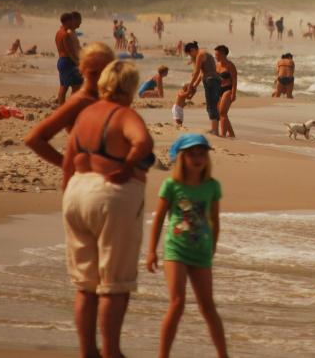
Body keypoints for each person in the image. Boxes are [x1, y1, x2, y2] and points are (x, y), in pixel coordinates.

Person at [61, 60, 154, 358]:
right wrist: (127, 166)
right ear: (129, 87)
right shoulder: (124, 114)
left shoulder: (85, 114)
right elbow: (143, 142)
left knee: (85, 284)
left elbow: (68, 161)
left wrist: (70, 193)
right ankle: (112, 352)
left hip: (77, 193)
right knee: (115, 283)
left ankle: (87, 351)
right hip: (111, 198)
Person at [146, 133, 228, 357]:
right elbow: (159, 218)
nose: (198, 159)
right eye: (192, 154)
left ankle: (223, 355)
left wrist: (212, 247)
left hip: (201, 253)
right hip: (176, 251)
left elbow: (215, 220)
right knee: (177, 303)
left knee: (208, 307)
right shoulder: (172, 185)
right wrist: (152, 251)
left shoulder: (212, 186)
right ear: (182, 158)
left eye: (202, 154)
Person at [26, 43, 116, 169]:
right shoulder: (79, 102)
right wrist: (67, 165)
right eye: (94, 73)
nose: (100, 78)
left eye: (105, 72)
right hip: (88, 173)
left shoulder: (110, 99)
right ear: (82, 70)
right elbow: (33, 139)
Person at [185, 42, 221, 135]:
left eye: (189, 54)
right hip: (213, 80)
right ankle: (214, 129)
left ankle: (215, 131)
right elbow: (201, 74)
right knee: (212, 105)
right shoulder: (204, 53)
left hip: (211, 81)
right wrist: (194, 86)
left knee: (211, 105)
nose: (190, 56)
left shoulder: (200, 55)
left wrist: (190, 85)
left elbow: (197, 72)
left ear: (192, 50)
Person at [56, 12, 83, 106]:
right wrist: (78, 63)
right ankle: (70, 106)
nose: (73, 23)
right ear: (67, 21)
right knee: (76, 86)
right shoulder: (66, 34)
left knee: (63, 87)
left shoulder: (59, 32)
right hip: (68, 62)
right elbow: (69, 51)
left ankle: (61, 107)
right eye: (71, 21)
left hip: (62, 61)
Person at [213, 45, 237, 138]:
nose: (215, 56)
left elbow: (234, 80)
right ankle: (231, 134)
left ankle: (223, 134)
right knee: (221, 114)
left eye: (217, 54)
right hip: (218, 90)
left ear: (223, 54)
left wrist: (233, 93)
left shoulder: (230, 65)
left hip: (228, 89)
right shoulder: (216, 65)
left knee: (222, 112)